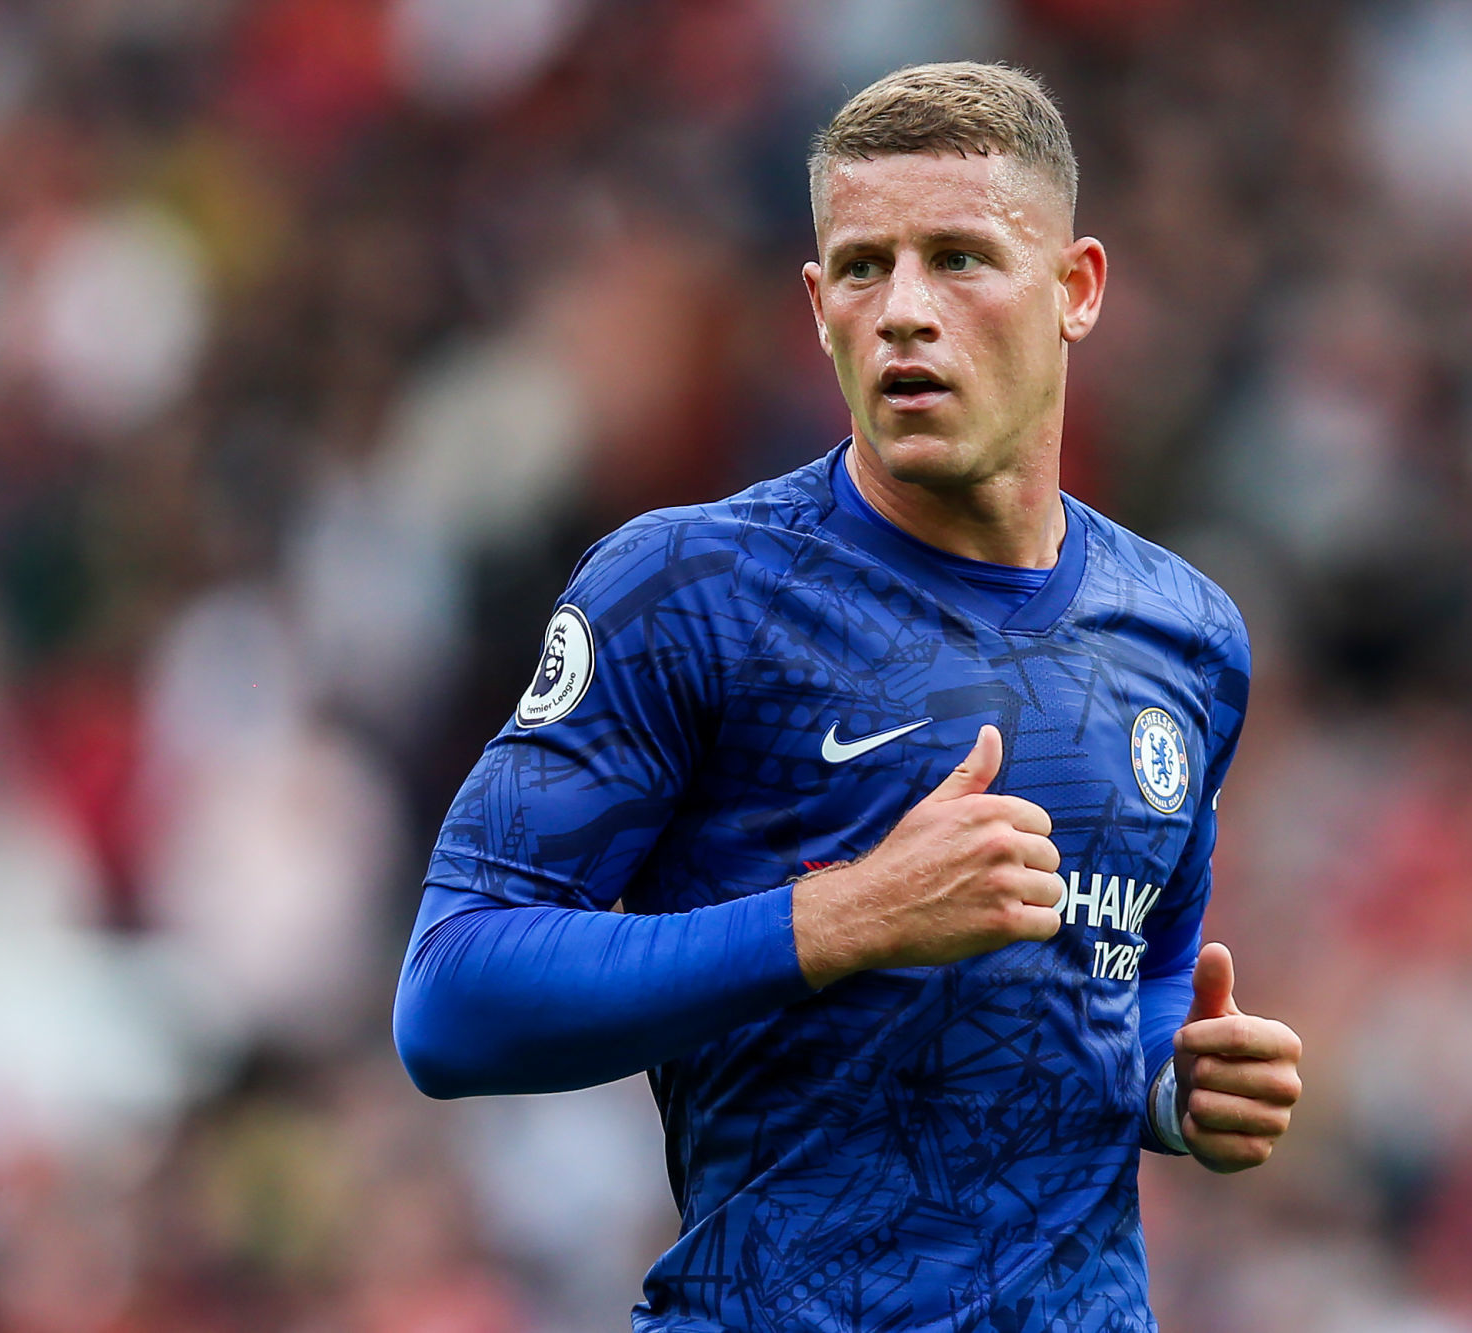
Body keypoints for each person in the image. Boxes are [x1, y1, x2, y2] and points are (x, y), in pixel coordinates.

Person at [395, 60, 1303, 1331]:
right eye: (865, 268)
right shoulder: (687, 590)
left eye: (959, 258)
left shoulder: (1183, 636)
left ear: (1074, 290)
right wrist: (846, 916)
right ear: (818, 306)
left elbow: (1131, 978)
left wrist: (1176, 1086)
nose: (905, 311)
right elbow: (452, 998)